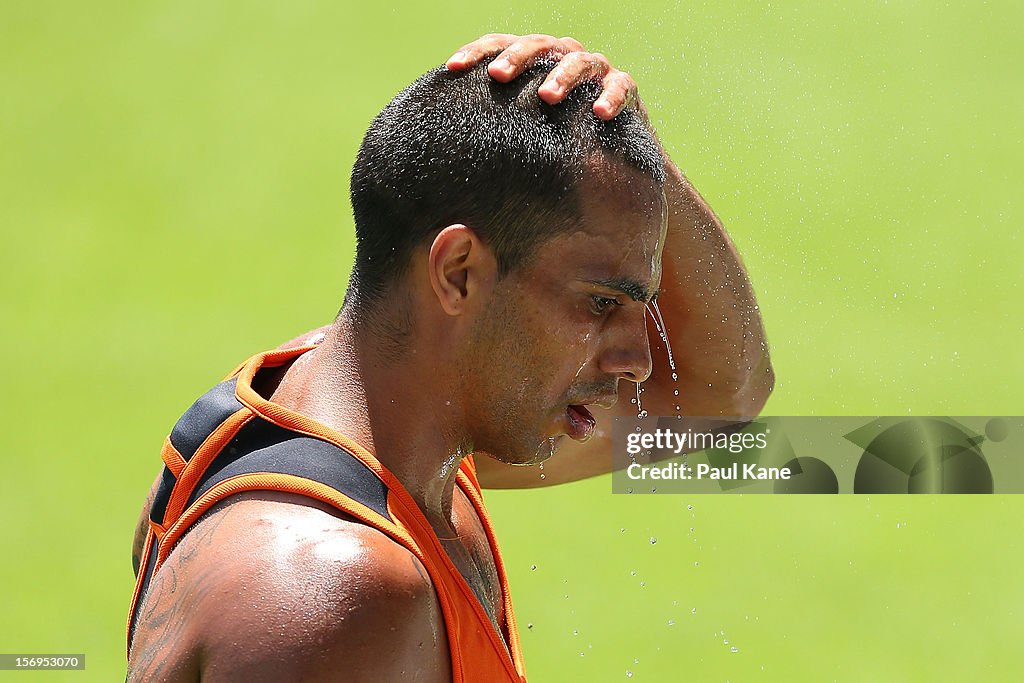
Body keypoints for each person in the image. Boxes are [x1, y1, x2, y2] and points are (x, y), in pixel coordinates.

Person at [126, 33, 773, 682]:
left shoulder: (300, 427)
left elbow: (716, 396)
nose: (639, 358)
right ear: (459, 272)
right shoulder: (338, 592)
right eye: (602, 302)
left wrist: (624, 142)